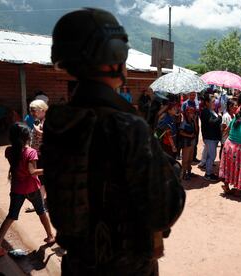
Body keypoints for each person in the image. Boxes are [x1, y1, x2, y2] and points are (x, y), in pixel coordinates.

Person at [44, 8, 185, 275]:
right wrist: (169, 172)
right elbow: (164, 210)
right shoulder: (127, 125)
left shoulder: (59, 122)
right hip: (126, 266)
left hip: (77, 264)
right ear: (115, 54)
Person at [0, 123, 54, 259]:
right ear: (27, 137)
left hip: (17, 189)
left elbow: (20, 163)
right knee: (41, 212)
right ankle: (50, 236)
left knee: (11, 216)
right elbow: (33, 172)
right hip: (32, 188)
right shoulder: (31, 152)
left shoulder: (8, 151)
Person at [200, 94, 222, 181]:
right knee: (211, 156)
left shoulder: (212, 111)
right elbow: (211, 123)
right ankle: (208, 174)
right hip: (210, 137)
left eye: (214, 102)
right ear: (207, 102)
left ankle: (209, 173)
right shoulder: (205, 112)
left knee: (212, 155)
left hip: (213, 137)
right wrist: (219, 116)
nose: (214, 103)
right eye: (212, 102)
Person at [179, 106, 198, 180]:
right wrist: (189, 135)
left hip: (192, 142)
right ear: (187, 113)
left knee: (190, 158)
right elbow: (181, 132)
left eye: (193, 112)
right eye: (191, 112)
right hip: (186, 143)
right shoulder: (184, 121)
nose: (192, 114)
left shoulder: (192, 121)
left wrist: (195, 121)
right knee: (185, 159)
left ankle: (189, 172)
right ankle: (183, 174)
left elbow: (196, 130)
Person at [182, 92, 200, 162]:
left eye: (194, 95)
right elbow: (183, 113)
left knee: (195, 140)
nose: (193, 96)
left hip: (195, 123)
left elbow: (198, 113)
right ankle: (186, 158)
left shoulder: (197, 103)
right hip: (187, 124)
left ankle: (193, 157)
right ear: (189, 95)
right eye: (192, 95)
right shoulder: (185, 103)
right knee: (187, 141)